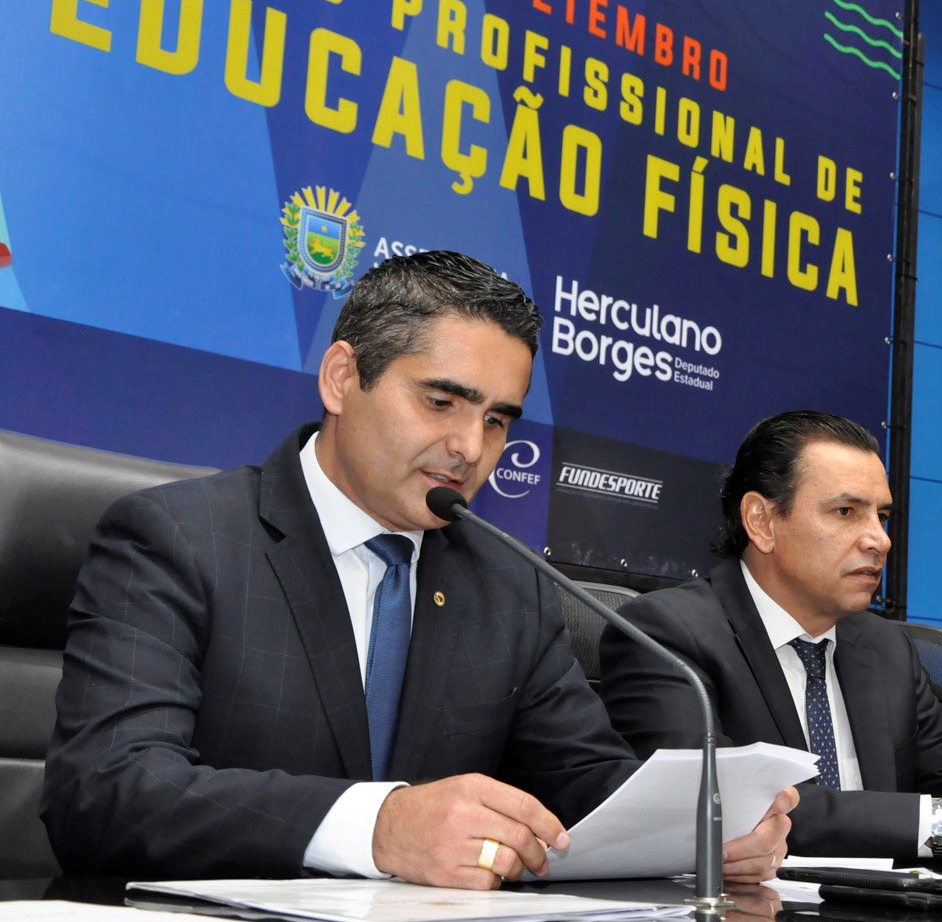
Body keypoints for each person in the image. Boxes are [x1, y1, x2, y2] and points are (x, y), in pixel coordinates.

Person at [42, 251, 793, 887]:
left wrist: (696, 829)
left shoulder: (506, 582)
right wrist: (379, 826)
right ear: (342, 378)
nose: (471, 447)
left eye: (496, 420)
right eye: (441, 401)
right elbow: (105, 792)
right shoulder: (177, 539)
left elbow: (584, 786)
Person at [599, 411, 942, 865]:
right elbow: (708, 805)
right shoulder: (667, 634)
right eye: (846, 511)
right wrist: (941, 824)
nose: (879, 540)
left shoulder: (887, 650)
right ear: (762, 521)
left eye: (882, 517)